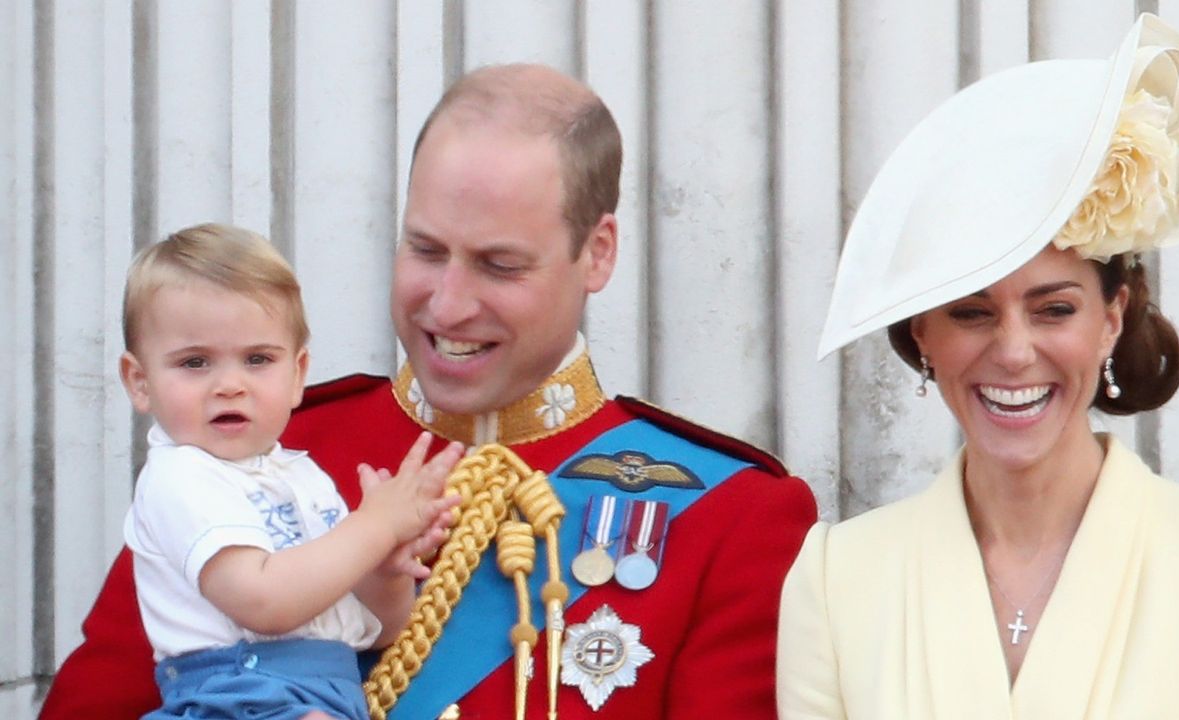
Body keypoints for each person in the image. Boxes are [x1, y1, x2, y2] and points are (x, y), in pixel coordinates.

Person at [41, 64, 817, 720]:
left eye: (500, 265)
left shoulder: (729, 516)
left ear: (597, 253)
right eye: (425, 249)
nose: (446, 306)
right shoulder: (259, 451)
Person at [778, 13, 1179, 719]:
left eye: (1053, 310)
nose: (1013, 352)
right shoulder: (833, 580)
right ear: (923, 332)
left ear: (1112, 318)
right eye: (972, 313)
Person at [115, 224, 463, 719]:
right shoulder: (180, 477)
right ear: (140, 381)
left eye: (257, 359)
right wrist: (374, 526)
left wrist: (385, 570)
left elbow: (384, 631)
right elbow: (263, 601)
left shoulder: (304, 478)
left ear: (298, 374)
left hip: (327, 692)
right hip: (235, 693)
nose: (230, 384)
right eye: (195, 363)